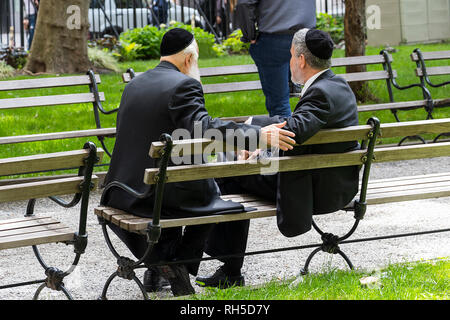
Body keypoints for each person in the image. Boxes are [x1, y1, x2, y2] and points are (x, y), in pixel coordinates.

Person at [100, 28, 296, 296]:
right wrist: (259, 136)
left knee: (192, 184)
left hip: (120, 192)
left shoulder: (135, 83)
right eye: (198, 60)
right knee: (223, 197)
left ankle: (160, 264)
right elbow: (204, 128)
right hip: (153, 197)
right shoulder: (184, 84)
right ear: (189, 58)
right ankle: (175, 262)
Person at [196, 28, 360, 289]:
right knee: (240, 164)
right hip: (337, 184)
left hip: (314, 191)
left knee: (229, 172)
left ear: (301, 60)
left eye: (291, 56)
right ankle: (229, 267)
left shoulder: (319, 95)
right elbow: (299, 124)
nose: (290, 62)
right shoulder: (338, 85)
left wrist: (260, 144)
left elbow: (294, 131)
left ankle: (230, 267)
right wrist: (260, 136)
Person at [235, 0, 316, 117]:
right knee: (314, 99)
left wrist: (250, 35)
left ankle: (289, 133)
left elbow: (243, 3)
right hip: (307, 35)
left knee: (279, 105)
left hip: (275, 37)